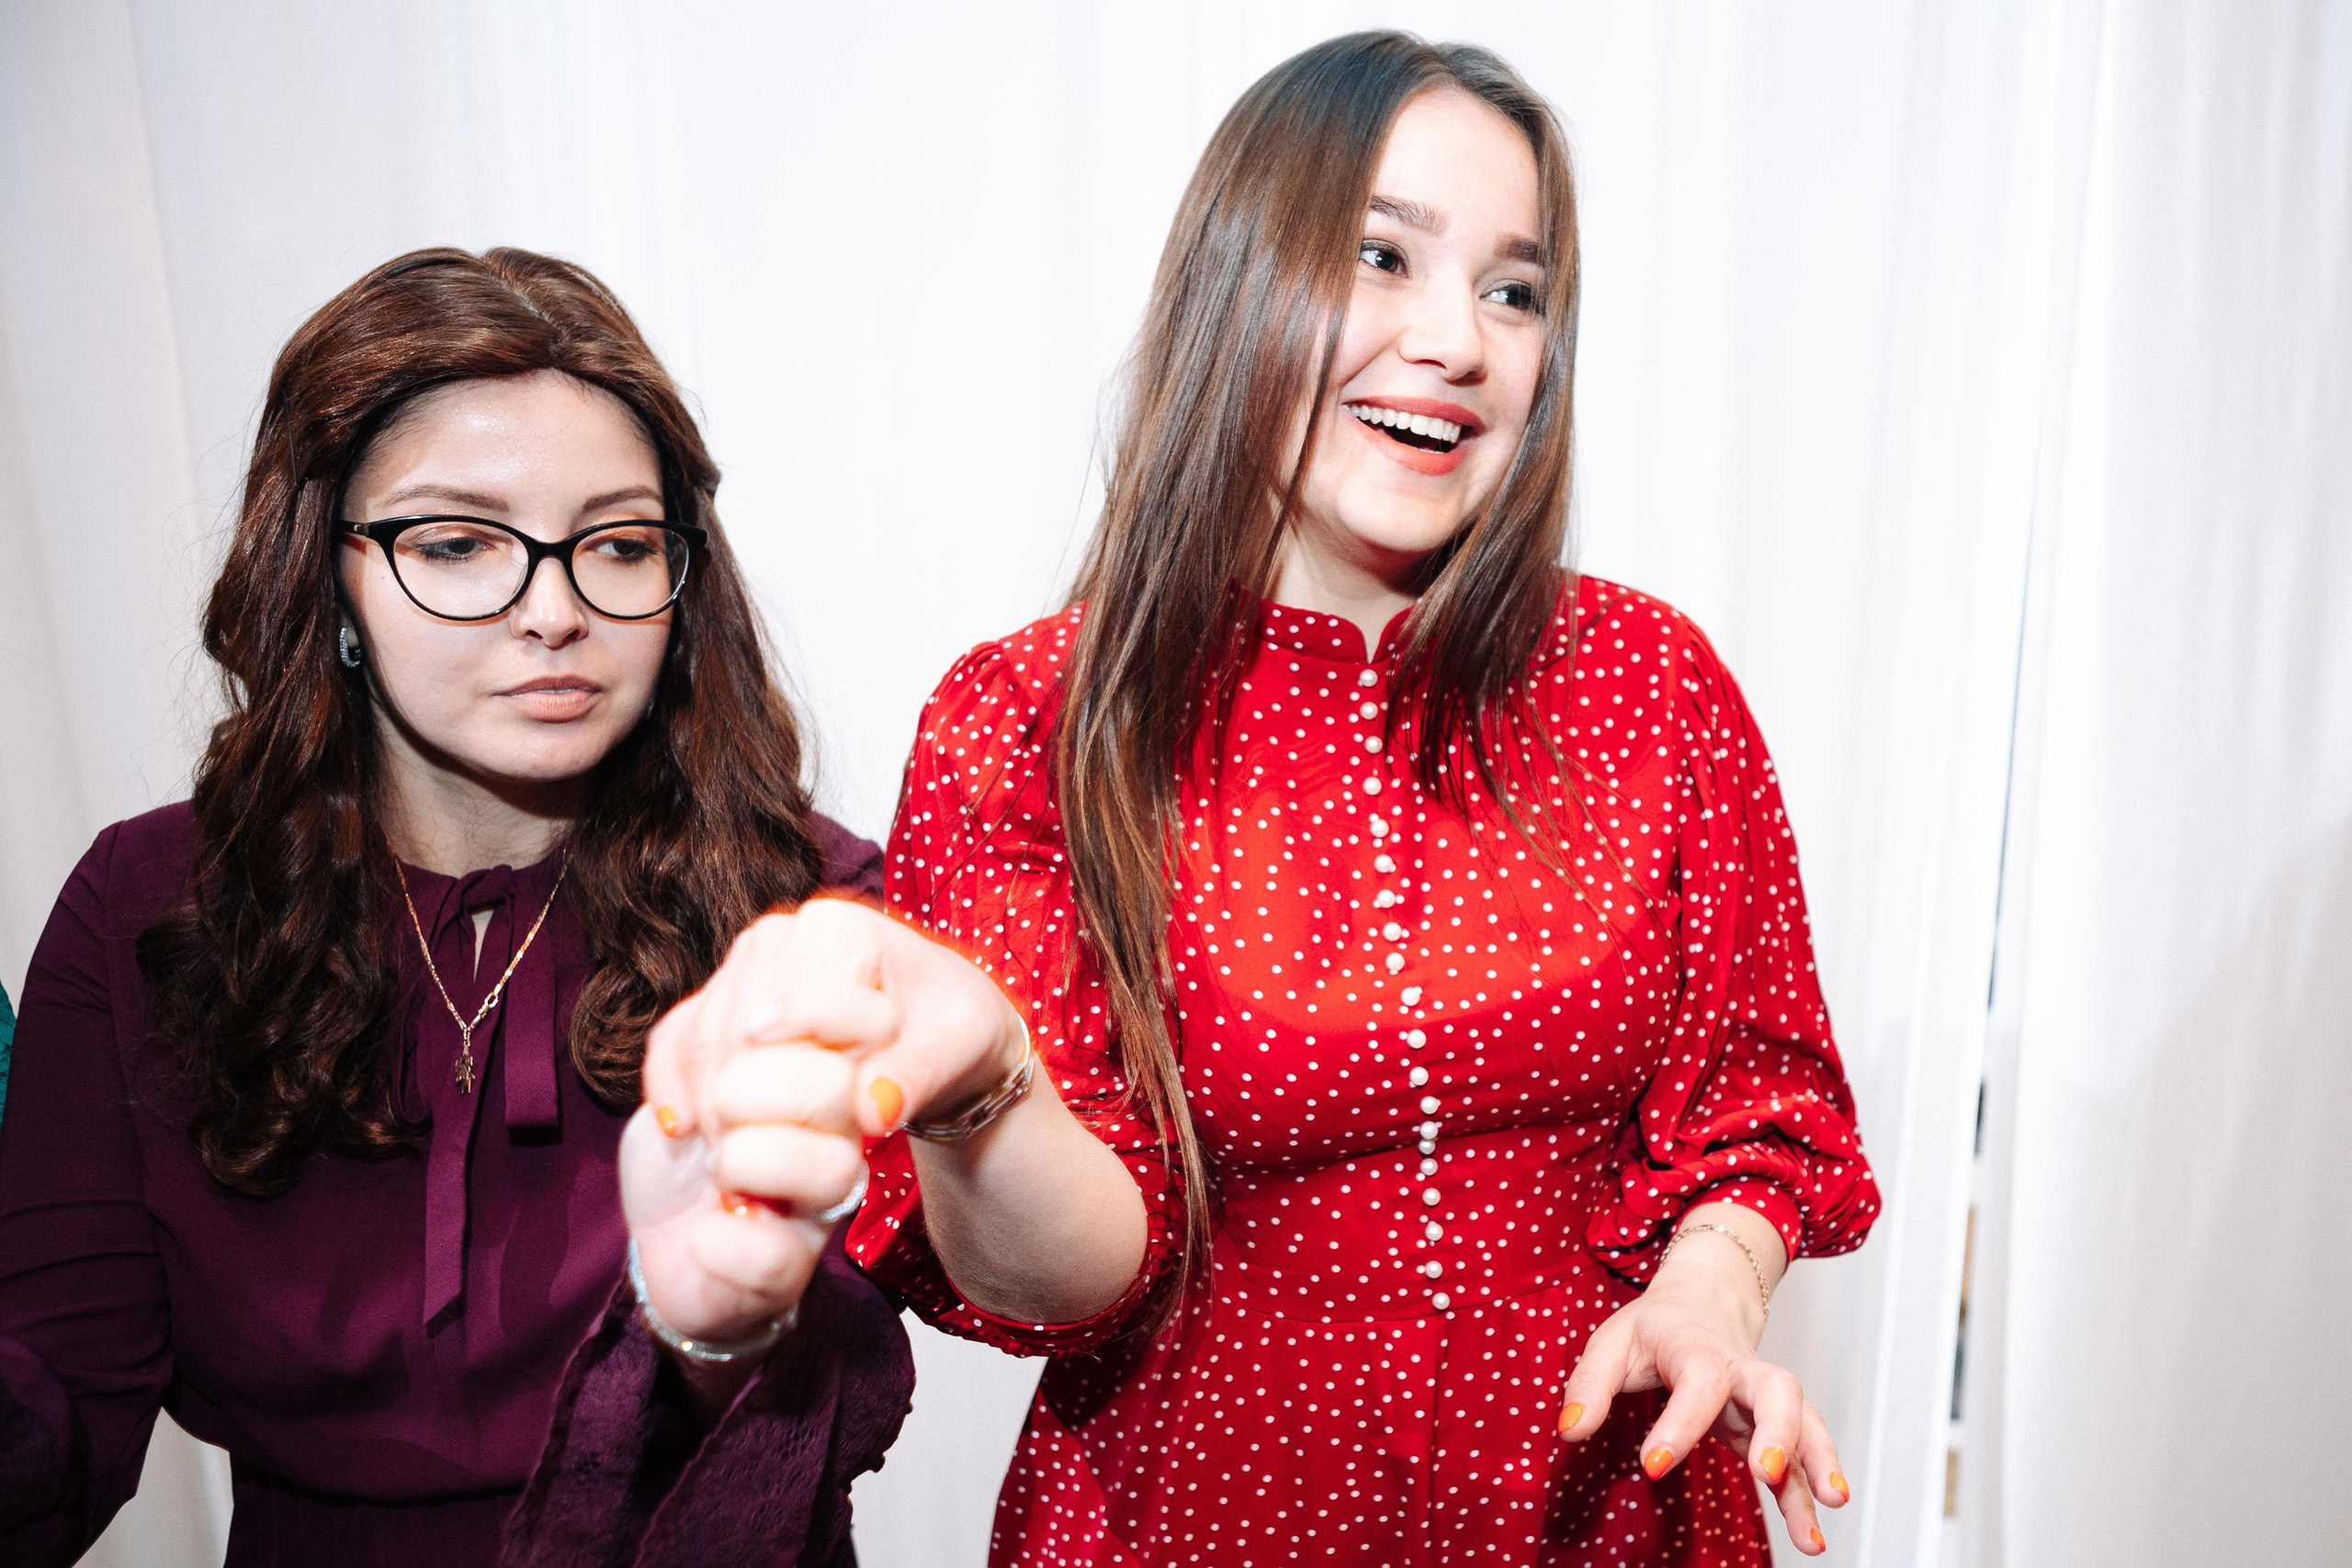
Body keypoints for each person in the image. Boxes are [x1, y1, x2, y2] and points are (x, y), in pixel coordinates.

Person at [646, 29, 1882, 1567]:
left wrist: (1710, 1290)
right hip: (1196, 1519)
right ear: (1239, 282)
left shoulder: (1651, 676)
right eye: (1383, 257)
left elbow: (1760, 1111)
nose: (1458, 341)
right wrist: (983, 1090)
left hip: (1609, 1511)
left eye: (1516, 288)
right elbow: (1064, 1282)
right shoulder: (1034, 718)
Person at [0, 247, 908, 1567]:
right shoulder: (149, 909)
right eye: (458, 544)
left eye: (616, 543)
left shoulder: (810, 914)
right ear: (330, 571)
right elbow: (54, 1441)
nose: (552, 612)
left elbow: (815, 1429)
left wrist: (722, 1313)